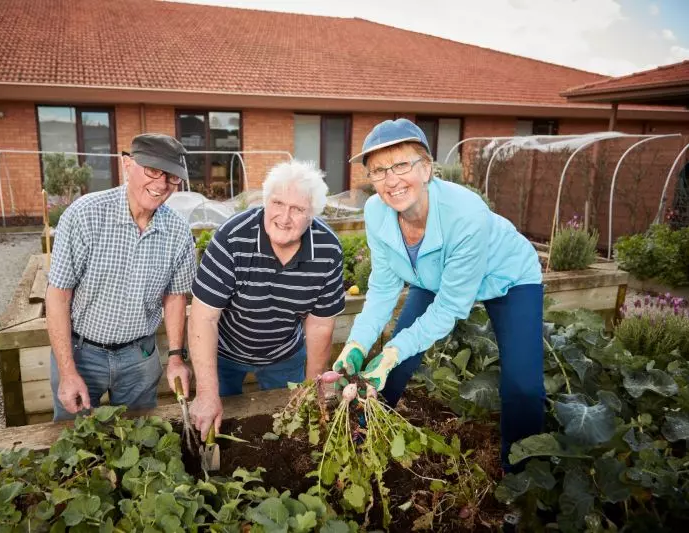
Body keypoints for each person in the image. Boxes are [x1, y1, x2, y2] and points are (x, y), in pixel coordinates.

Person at [332, 119, 544, 470]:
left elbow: (449, 307)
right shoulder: (376, 211)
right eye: (379, 170)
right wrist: (356, 344)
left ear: (427, 169)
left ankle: (521, 476)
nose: (391, 179)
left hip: (507, 277)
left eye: (402, 165)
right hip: (434, 279)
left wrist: (392, 351)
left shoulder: (466, 213)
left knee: (523, 386)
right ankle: (363, 434)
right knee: (393, 365)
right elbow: (383, 288)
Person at [189, 160, 346, 439]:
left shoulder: (327, 249)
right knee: (216, 425)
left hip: (284, 353)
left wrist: (312, 388)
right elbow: (204, 317)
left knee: (291, 422)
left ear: (312, 215)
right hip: (225, 352)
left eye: (297, 209)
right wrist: (205, 393)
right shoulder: (232, 238)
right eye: (277, 203)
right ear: (265, 202)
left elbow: (320, 325)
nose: (284, 217)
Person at [46, 133, 196, 421]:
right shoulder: (84, 215)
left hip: (140, 357)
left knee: (139, 441)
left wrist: (176, 356)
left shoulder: (178, 232)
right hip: (81, 353)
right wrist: (67, 371)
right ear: (127, 165)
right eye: (152, 170)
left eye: (172, 177)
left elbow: (175, 297)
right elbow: (58, 295)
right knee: (74, 446)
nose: (161, 184)